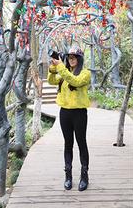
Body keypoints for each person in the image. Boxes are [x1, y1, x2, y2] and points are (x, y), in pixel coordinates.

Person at [47, 47, 91, 191]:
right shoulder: (64, 72)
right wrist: (53, 68)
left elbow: (75, 81)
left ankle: (84, 176)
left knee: (81, 143)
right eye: (69, 57)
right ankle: (68, 176)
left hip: (79, 113)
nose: (71, 59)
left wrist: (60, 67)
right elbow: (52, 80)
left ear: (80, 59)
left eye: (74, 57)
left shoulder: (85, 73)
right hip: (65, 113)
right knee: (68, 144)